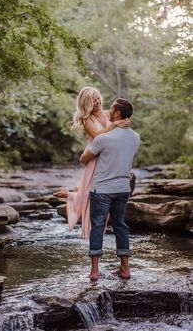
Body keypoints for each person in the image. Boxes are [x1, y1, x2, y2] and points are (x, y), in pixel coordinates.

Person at [53, 87, 130, 238]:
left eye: (98, 98)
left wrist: (125, 122)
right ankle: (73, 197)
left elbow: (122, 121)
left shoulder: (109, 113)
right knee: (92, 193)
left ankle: (72, 194)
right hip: (94, 158)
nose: (97, 102)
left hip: (108, 158)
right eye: (93, 100)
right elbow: (97, 135)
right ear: (86, 103)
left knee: (100, 194)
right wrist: (114, 125)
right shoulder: (87, 119)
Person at [80, 98, 140, 281]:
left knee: (98, 226)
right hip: (123, 188)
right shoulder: (135, 137)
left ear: (117, 114)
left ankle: (95, 272)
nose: (109, 111)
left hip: (102, 189)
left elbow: (84, 158)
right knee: (120, 225)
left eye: (112, 109)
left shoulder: (103, 138)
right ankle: (125, 269)